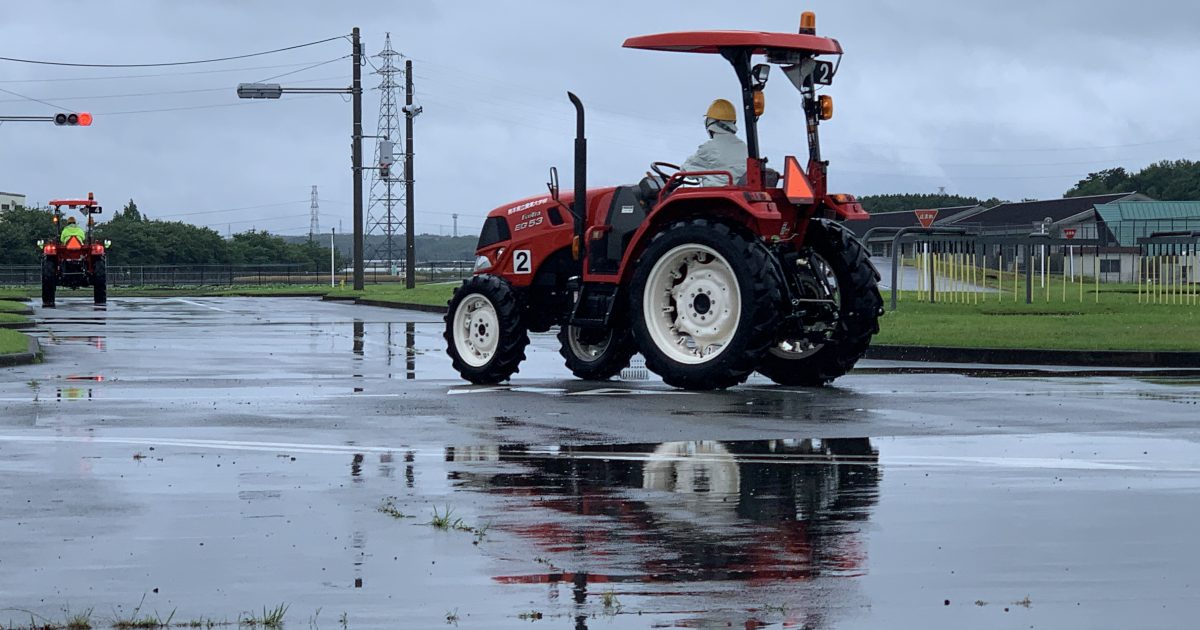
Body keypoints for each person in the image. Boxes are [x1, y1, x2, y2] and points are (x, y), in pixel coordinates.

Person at [680, 99, 748, 187]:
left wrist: (683, 168)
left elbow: (688, 167)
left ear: (709, 122)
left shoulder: (709, 147)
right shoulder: (743, 146)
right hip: (737, 188)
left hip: (718, 191)